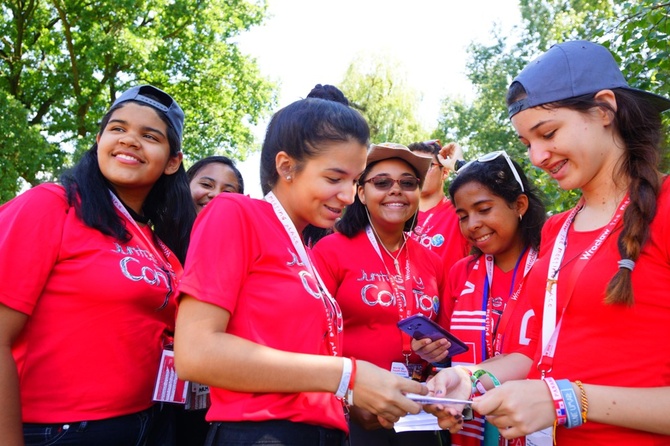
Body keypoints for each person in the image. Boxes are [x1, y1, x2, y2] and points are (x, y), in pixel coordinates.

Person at [424, 40, 670, 445]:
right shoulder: (556, 231)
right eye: (527, 144)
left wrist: (570, 399)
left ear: (605, 109)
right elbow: (531, 353)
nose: (537, 156)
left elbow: (558, 393)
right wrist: (469, 378)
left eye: (548, 133)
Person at [174, 98, 428, 446]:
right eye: (334, 177)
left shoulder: (305, 250)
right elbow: (196, 353)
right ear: (286, 165)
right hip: (263, 433)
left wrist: (359, 399)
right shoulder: (235, 214)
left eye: (354, 181)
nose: (349, 195)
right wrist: (348, 375)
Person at [0, 84, 195, 445]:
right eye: (118, 129)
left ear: (172, 162)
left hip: (146, 424)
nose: (130, 141)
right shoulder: (51, 204)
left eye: (149, 135)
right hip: (59, 432)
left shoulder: (159, 246)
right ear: (99, 140)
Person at [312, 142, 448, 446]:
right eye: (382, 182)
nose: (396, 190)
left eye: (408, 183)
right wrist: (348, 396)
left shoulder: (432, 261)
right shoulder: (330, 251)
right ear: (361, 193)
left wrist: (436, 351)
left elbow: (444, 339)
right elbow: (311, 339)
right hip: (353, 409)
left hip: (415, 412)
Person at [413, 151, 545, 446]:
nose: (472, 224)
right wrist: (431, 352)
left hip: (536, 428)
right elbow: (447, 351)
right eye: (462, 216)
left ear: (519, 205)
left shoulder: (550, 268)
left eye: (483, 209)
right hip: (466, 429)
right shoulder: (462, 273)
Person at [408, 140, 470, 273]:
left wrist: (460, 165)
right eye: (412, 167)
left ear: (445, 172)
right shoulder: (395, 214)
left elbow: (494, 201)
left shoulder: (460, 213)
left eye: (427, 166)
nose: (418, 173)